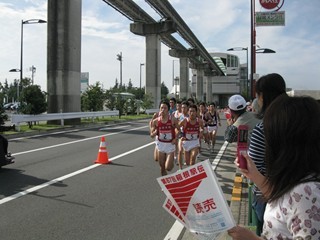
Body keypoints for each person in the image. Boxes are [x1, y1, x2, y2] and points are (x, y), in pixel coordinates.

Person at [228, 95, 320, 239]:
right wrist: (254, 175)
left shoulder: (306, 193)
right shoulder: (299, 177)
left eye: (269, 133)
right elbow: (285, 201)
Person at [248, 73, 287, 234]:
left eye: (257, 95)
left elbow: (253, 167)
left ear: (263, 96)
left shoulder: (263, 128)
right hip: (291, 191)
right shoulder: (292, 122)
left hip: (267, 196)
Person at [150, 100, 178, 176]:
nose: (163, 110)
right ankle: (164, 186)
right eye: (161, 108)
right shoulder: (156, 121)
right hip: (161, 144)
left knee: (168, 167)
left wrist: (175, 138)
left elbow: (178, 129)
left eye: (165, 108)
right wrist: (154, 133)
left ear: (168, 110)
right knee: (162, 167)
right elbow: (151, 135)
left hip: (170, 145)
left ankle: (171, 161)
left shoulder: (173, 119)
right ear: (159, 109)